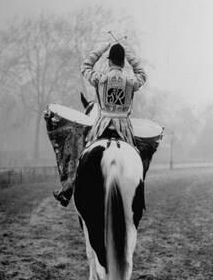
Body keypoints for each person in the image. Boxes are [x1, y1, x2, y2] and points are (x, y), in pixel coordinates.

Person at [51, 39, 148, 207]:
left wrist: (101, 49)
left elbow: (85, 67)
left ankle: (68, 190)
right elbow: (142, 74)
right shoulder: (131, 82)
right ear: (123, 62)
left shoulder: (100, 78)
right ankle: (139, 193)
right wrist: (128, 52)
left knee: (81, 154)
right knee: (138, 156)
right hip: (124, 129)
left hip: (101, 126)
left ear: (109, 60)